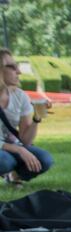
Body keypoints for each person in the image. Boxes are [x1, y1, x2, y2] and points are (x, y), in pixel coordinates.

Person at [0, 48, 53, 187]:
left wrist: (36, 118)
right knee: (5, 161)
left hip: (12, 146)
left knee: (45, 159)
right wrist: (20, 150)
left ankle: (13, 176)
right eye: (11, 67)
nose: (18, 71)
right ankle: (8, 169)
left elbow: (25, 140)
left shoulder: (20, 96)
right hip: (5, 150)